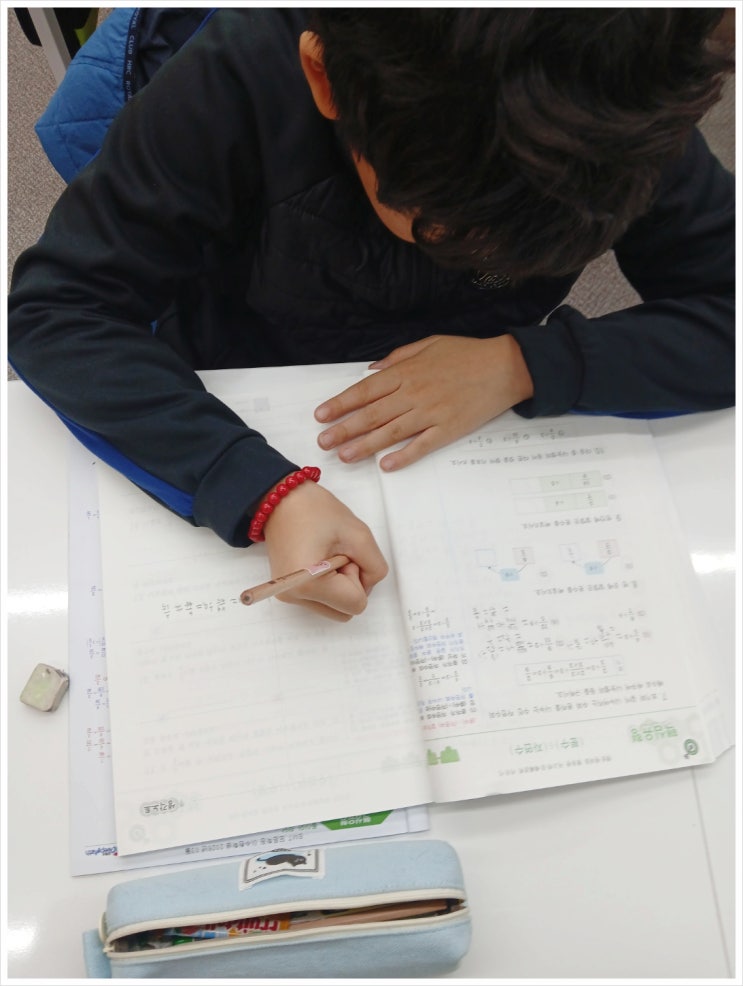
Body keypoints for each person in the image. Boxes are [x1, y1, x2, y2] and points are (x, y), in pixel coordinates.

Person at [8, 8, 735, 621]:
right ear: (323, 76)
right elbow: (59, 309)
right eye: (442, 228)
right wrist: (256, 490)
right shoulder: (240, 77)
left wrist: (523, 363)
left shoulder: (629, 105)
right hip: (239, 386)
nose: (488, 254)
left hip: (482, 425)